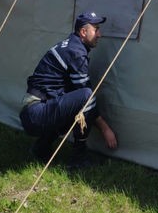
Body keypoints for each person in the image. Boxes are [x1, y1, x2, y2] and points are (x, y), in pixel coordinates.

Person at [19, 11, 117, 168]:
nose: (99, 34)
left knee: (74, 101)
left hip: (33, 111)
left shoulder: (71, 45)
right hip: (36, 113)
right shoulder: (76, 52)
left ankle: (41, 148)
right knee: (86, 97)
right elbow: (86, 97)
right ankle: (78, 158)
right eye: (96, 29)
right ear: (83, 32)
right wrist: (105, 129)